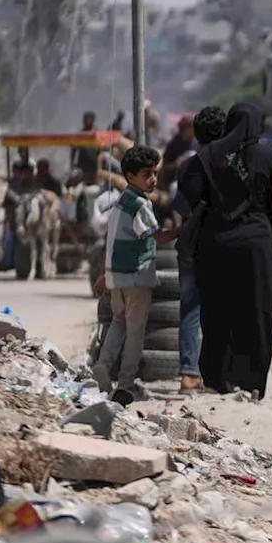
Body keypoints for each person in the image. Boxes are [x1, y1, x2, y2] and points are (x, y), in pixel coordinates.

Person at [180, 102, 272, 398]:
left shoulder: (208, 157)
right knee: (257, 313)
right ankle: (251, 382)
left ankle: (217, 379)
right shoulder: (267, 157)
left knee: (217, 311)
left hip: (215, 245)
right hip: (256, 245)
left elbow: (189, 198)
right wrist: (263, 238)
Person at [92, 146, 178, 405]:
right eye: (146, 174)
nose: (152, 179)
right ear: (130, 176)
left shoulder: (120, 201)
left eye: (154, 173)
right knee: (135, 331)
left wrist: (103, 274)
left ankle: (104, 365)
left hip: (116, 277)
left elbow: (110, 241)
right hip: (137, 278)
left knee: (118, 322)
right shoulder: (140, 204)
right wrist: (185, 228)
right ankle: (127, 383)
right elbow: (158, 237)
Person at [172, 106, 227, 393]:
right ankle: (213, 374)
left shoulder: (186, 167)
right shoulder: (229, 166)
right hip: (219, 246)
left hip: (191, 246)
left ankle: (189, 375)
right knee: (219, 311)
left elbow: (180, 208)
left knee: (190, 311)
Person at [160, 113, 198, 191]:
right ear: (186, 128)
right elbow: (165, 167)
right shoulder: (173, 145)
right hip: (175, 182)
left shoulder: (197, 143)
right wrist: (176, 164)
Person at [71, 111, 101, 177]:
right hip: (82, 165)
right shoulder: (80, 135)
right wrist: (72, 164)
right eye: (86, 119)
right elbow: (73, 150)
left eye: (90, 119)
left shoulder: (97, 134)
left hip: (94, 166)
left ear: (93, 120)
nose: (87, 121)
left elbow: (101, 150)